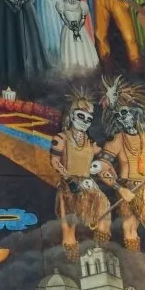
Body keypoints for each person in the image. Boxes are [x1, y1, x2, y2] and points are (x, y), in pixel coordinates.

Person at [95, 77, 145, 257]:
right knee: (129, 228)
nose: (122, 118)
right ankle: (136, 265)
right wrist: (120, 189)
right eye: (118, 116)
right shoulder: (116, 141)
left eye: (125, 113)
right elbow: (102, 168)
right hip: (129, 190)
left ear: (134, 114)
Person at [49, 88, 109, 260]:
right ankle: (71, 261)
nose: (84, 121)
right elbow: (55, 161)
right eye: (81, 116)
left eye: (88, 119)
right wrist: (69, 180)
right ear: (71, 116)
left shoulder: (90, 142)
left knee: (104, 214)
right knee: (69, 227)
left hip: (88, 185)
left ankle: (101, 253)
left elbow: (103, 157)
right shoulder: (61, 138)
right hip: (69, 187)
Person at [56, 0, 100, 76]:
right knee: (70, 48)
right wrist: (71, 26)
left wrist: (78, 27)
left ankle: (86, 69)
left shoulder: (81, 4)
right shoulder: (61, 4)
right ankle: (72, 71)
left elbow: (83, 18)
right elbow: (63, 17)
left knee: (82, 47)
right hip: (68, 30)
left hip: (81, 29)